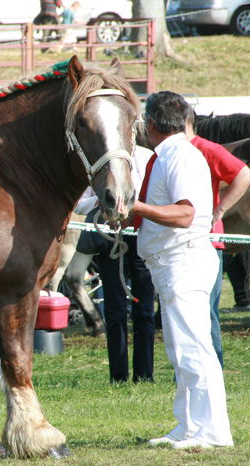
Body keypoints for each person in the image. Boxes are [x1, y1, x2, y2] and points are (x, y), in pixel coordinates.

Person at [132, 91, 233, 449]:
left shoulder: (181, 157)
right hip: (172, 263)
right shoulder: (169, 155)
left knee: (194, 349)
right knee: (180, 350)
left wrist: (138, 206)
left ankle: (212, 432)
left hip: (184, 259)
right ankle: (188, 426)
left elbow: (185, 214)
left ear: (152, 124)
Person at [75, 146, 156, 384]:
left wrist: (134, 205)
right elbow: (80, 204)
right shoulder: (100, 158)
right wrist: (102, 202)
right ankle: (118, 376)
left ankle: (144, 374)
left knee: (145, 310)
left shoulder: (146, 157)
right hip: (111, 237)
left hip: (141, 234)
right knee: (115, 309)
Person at [185, 108, 250, 368]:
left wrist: (220, 209)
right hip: (180, 242)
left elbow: (244, 174)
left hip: (206, 241)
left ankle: (213, 367)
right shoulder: (167, 153)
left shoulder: (206, 149)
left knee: (208, 311)